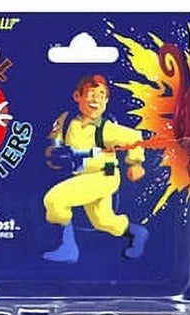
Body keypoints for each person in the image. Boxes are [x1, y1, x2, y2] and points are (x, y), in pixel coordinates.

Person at [43, 74, 149, 262]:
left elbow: (134, 137)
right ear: (78, 96)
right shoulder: (68, 122)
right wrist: (56, 155)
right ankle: (136, 232)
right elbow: (53, 144)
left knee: (55, 199)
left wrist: (135, 163)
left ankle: (68, 248)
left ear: (106, 101)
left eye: (102, 95)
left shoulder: (106, 128)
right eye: (91, 94)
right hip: (83, 176)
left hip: (103, 177)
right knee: (103, 221)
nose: (96, 100)